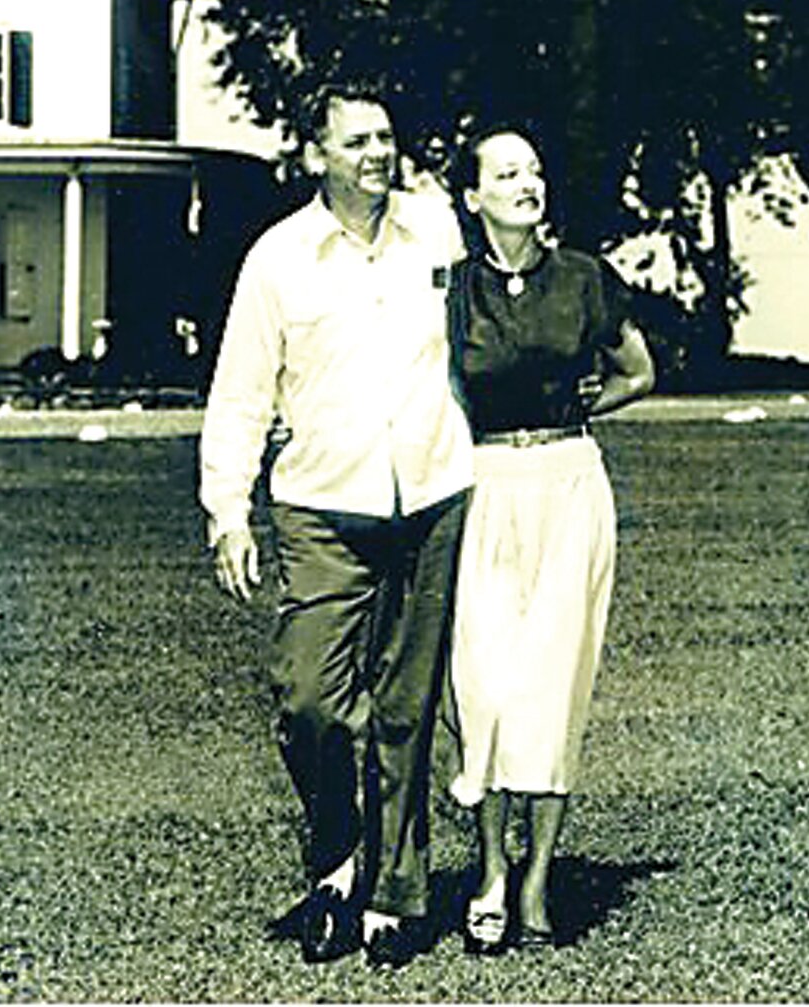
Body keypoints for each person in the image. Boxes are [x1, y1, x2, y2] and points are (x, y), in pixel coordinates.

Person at [198, 80, 474, 970]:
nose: (377, 154)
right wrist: (227, 514)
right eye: (356, 141)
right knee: (311, 700)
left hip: (431, 495)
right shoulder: (278, 260)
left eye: (386, 138)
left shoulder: (434, 230)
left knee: (405, 708)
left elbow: (482, 335)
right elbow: (240, 394)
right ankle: (337, 861)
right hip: (321, 505)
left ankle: (393, 896)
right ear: (317, 155)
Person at [444, 125, 655, 955]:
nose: (527, 182)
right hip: (486, 486)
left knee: (554, 683)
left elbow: (639, 370)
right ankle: (490, 870)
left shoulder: (585, 279)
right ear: (474, 197)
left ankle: (536, 882)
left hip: (570, 485)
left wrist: (579, 412)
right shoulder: (453, 289)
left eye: (534, 168)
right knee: (487, 686)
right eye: (506, 173)